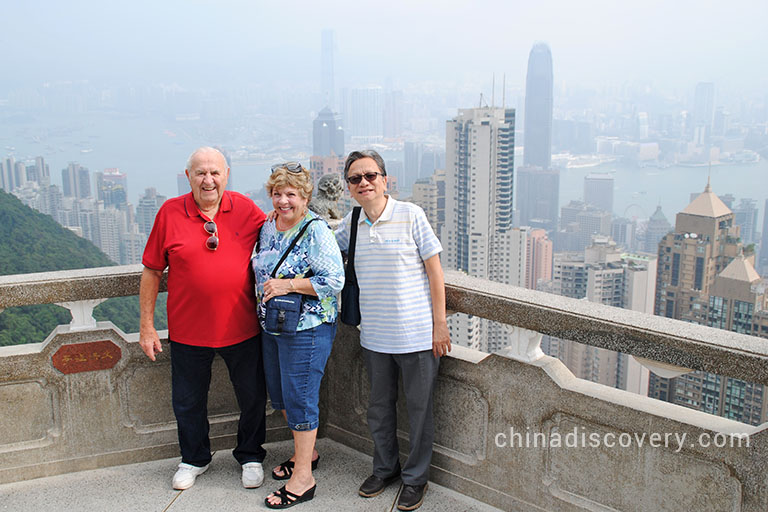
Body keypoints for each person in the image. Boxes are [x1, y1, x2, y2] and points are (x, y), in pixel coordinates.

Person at [139, 146, 268, 491]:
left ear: (227, 175)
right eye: (200, 173)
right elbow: (152, 271)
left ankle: (251, 455)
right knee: (187, 400)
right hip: (187, 330)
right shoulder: (169, 212)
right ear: (188, 177)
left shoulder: (244, 208)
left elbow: (281, 228)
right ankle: (194, 458)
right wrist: (147, 326)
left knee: (253, 395)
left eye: (215, 172)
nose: (208, 180)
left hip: (242, 327)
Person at [335, 150, 451, 511]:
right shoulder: (349, 225)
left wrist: (440, 323)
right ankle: (385, 469)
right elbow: (321, 251)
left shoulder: (411, 215)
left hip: (417, 336)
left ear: (385, 179)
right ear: (350, 188)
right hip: (374, 337)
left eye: (371, 175)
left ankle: (416, 479)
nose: (364, 183)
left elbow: (435, 272)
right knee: (379, 409)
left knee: (419, 411)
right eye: (356, 179)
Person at [251, 162, 344, 509]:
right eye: (277, 193)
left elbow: (334, 281)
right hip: (273, 325)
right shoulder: (267, 225)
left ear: (306, 197)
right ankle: (308, 454)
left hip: (307, 328)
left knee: (301, 399)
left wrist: (288, 284)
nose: (283, 201)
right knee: (283, 397)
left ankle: (303, 478)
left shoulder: (316, 231)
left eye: (291, 194)